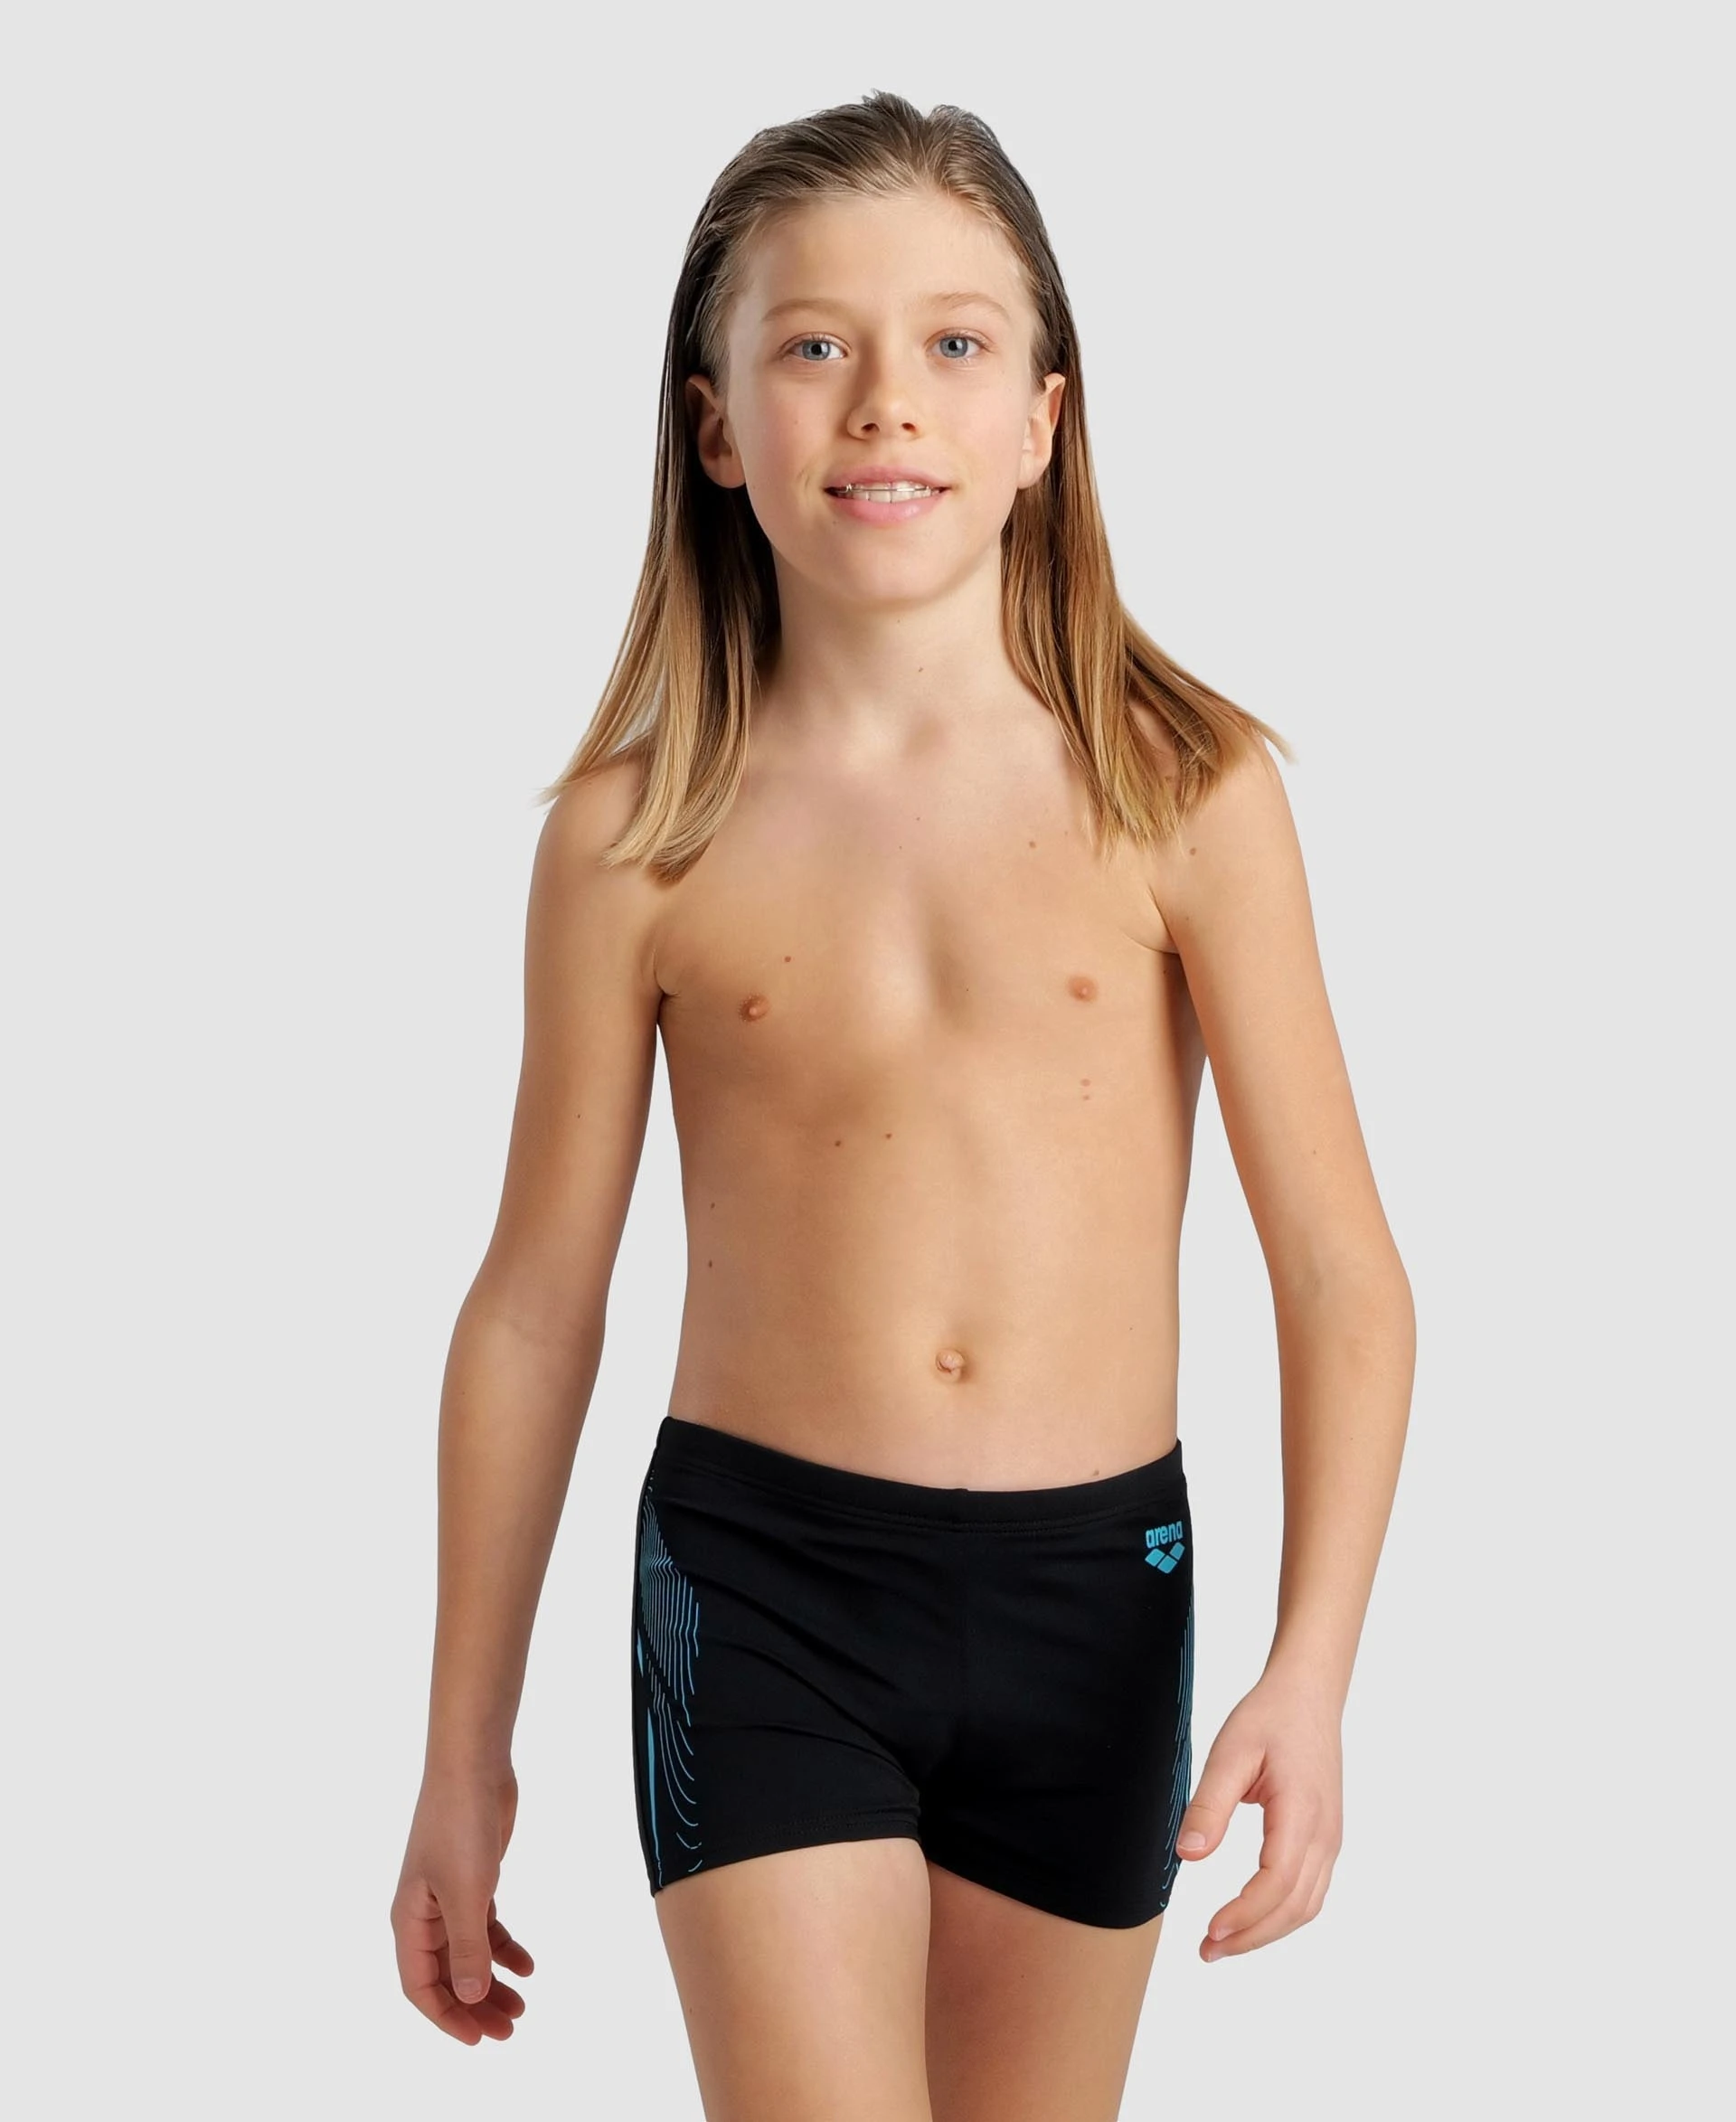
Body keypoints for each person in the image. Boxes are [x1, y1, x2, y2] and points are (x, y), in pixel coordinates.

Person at [391, 89, 1415, 2119]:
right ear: (714, 428)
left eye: (954, 341)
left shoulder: (1186, 791)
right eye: (813, 344)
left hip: (1095, 1598)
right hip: (762, 1585)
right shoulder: (634, 837)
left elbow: (1340, 1271)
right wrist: (460, 1745)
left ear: (1044, 418)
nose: (886, 402)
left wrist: (1314, 1668)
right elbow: (532, 1305)